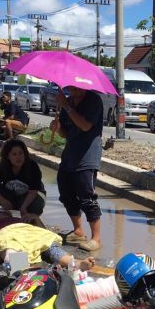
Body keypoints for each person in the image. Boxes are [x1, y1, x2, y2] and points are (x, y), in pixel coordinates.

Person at [49, 85, 105, 252]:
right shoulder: (69, 101)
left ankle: (96, 238)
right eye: (73, 89)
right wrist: (58, 128)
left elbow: (85, 126)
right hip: (70, 153)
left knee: (86, 196)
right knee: (66, 192)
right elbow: (67, 133)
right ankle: (78, 230)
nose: (77, 92)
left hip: (87, 154)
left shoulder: (93, 101)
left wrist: (66, 105)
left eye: (79, 89)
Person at [0, 209, 95, 271]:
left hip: (29, 232)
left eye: (5, 213)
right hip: (9, 234)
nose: (3, 215)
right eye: (0, 214)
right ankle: (22, 268)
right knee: (10, 247)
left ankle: (76, 263)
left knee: (49, 245)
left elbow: (41, 229)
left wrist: (35, 218)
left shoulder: (19, 219)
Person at [0, 139, 46, 224]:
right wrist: (2, 201)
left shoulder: (32, 166)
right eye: (14, 154)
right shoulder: (2, 166)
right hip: (12, 195)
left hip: (31, 197)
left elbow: (33, 191)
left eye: (21, 153)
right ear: (8, 156)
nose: (18, 157)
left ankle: (32, 219)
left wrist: (23, 207)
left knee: (37, 202)